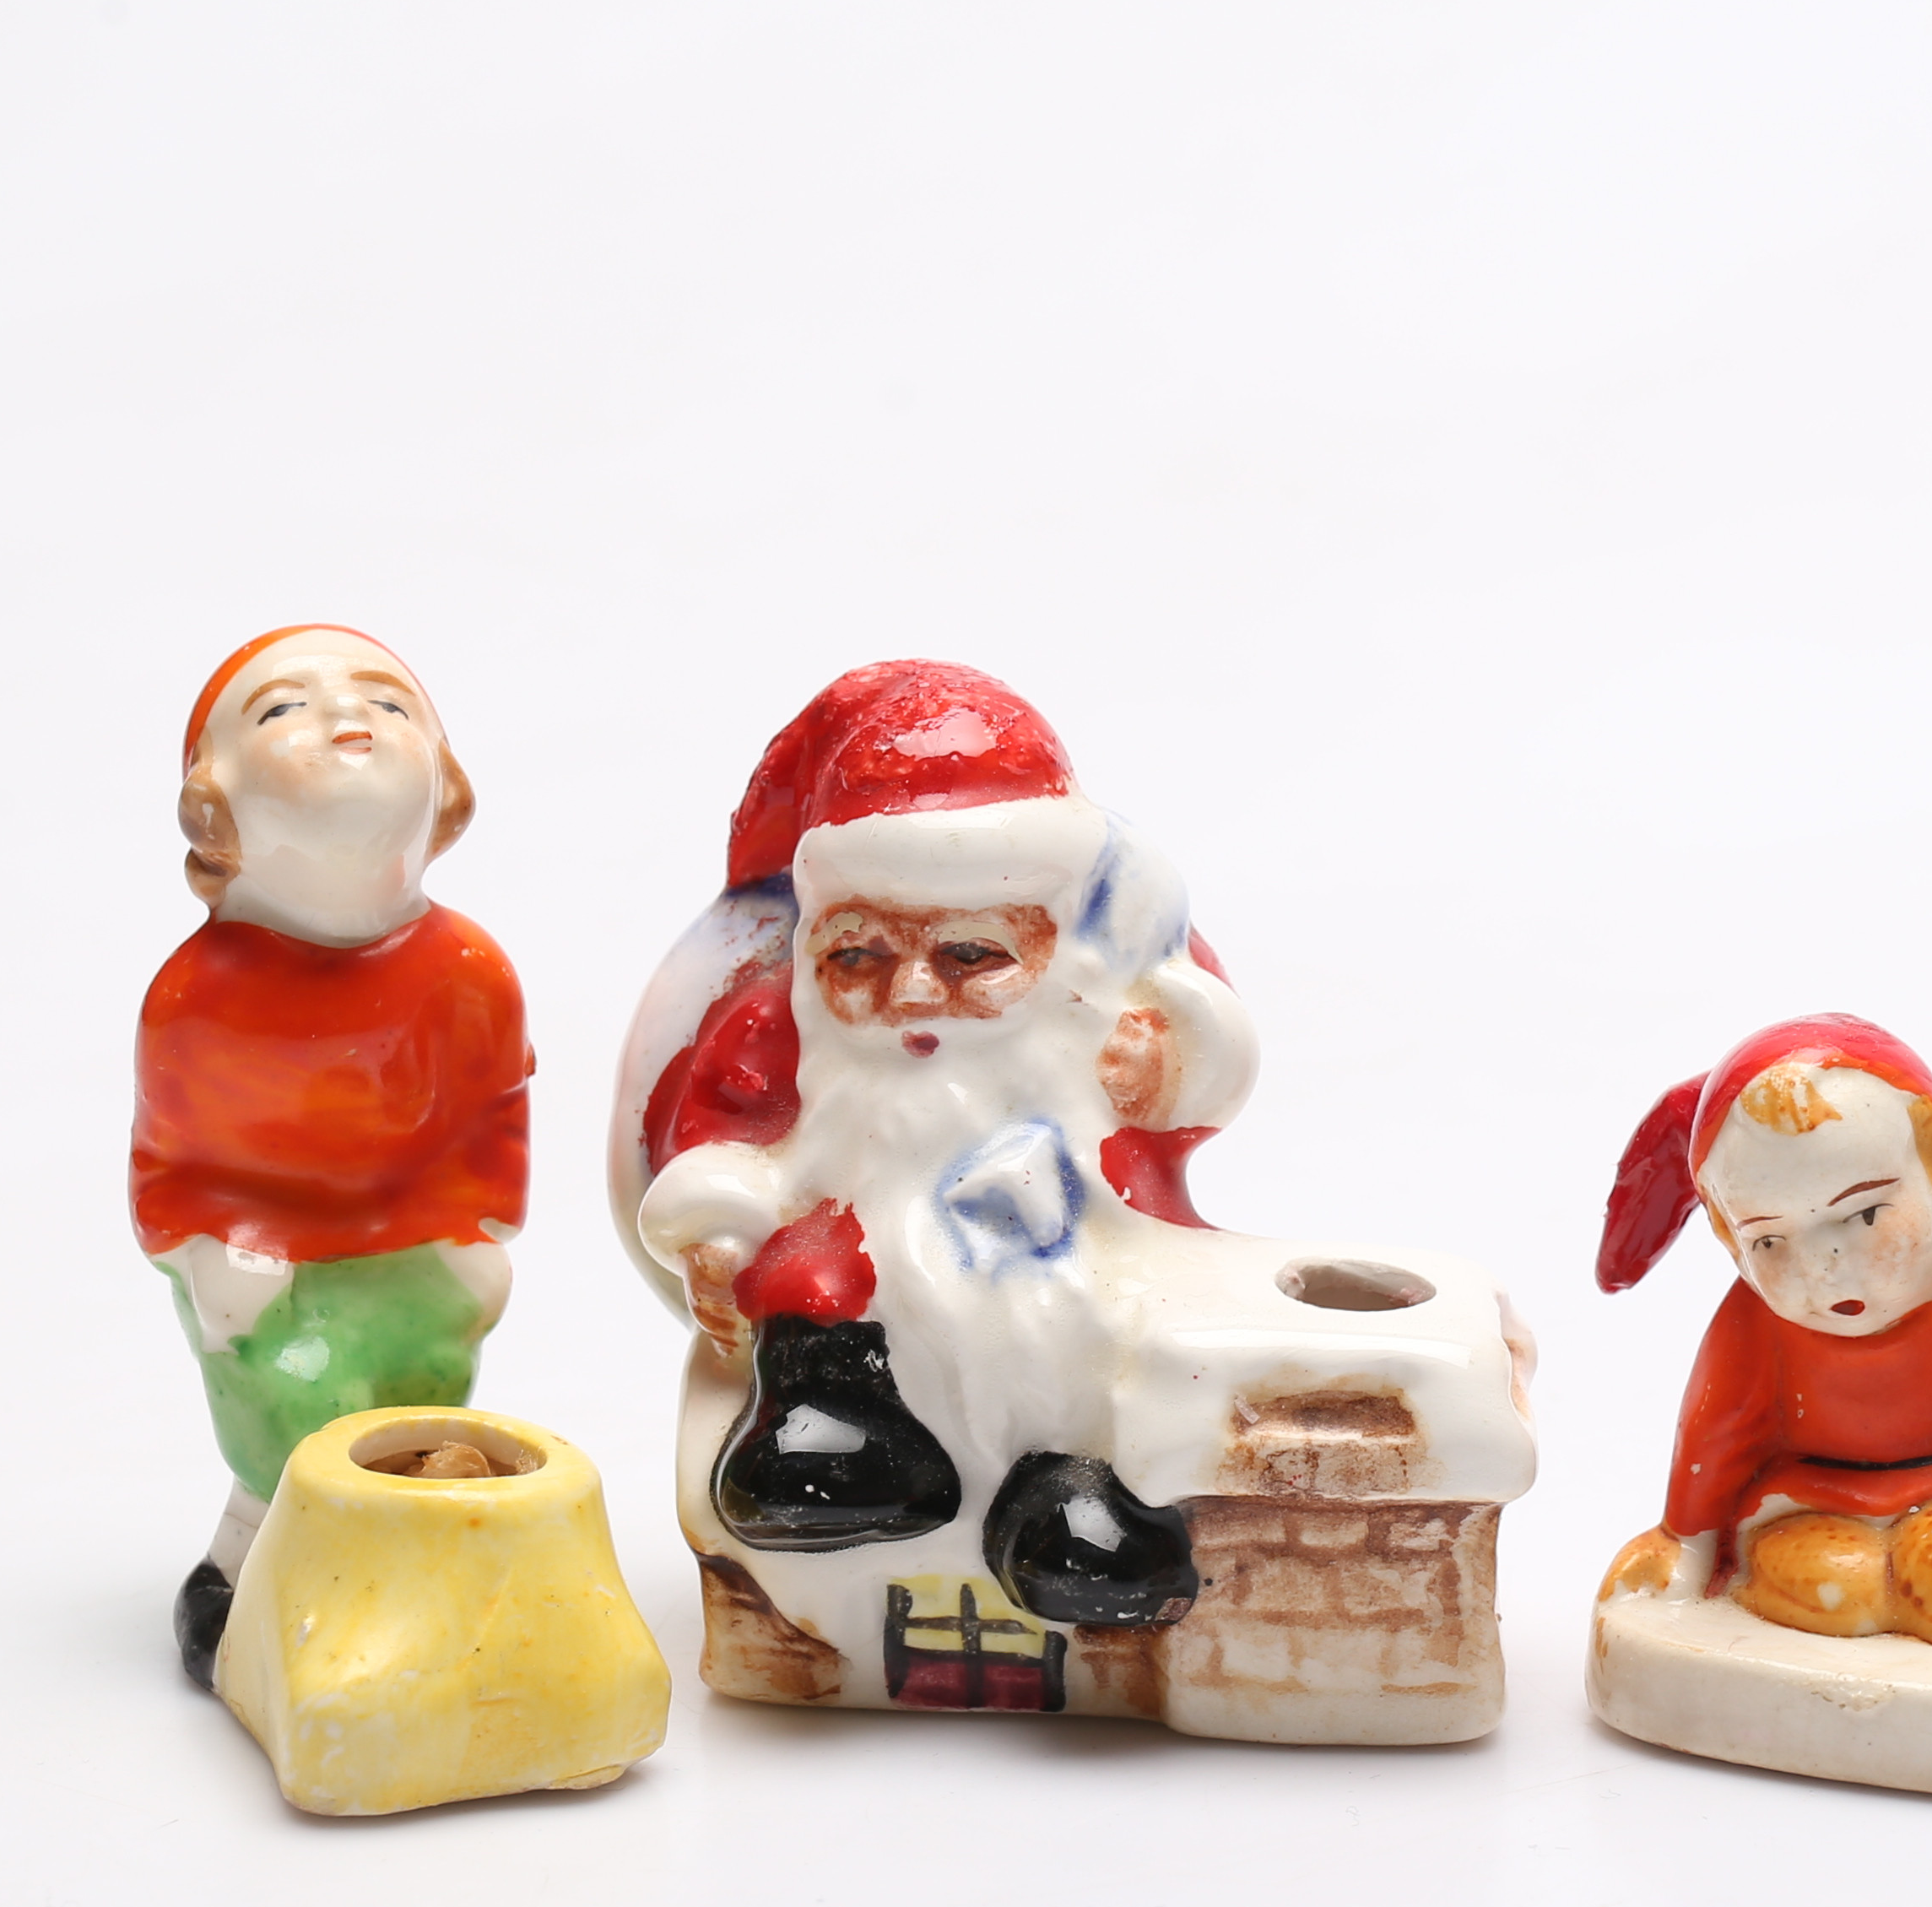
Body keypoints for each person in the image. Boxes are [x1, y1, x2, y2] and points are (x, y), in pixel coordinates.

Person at [611, 660, 1258, 1688]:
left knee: (1106, 1328)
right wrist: (719, 1230)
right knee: (813, 1291)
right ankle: (835, 1446)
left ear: (1053, 949)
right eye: (859, 959)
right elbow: (715, 1144)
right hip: (843, 1263)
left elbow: (1194, 1088)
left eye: (968, 957)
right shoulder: (780, 1028)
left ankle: (1068, 1504)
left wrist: (1166, 1073)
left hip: (1062, 1261)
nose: (911, 994)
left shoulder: (1095, 1025)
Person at [132, 626, 528, 1687]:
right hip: (265, 1255)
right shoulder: (196, 997)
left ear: (444, 783)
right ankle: (249, 1558)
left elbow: (491, 1117)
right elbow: (172, 1165)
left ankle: (412, 1566)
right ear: (213, 802)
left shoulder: (469, 971)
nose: (346, 716)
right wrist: (211, 1251)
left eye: (388, 702)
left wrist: (481, 1223)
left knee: (417, 1387)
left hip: (412, 1235)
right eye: (282, 708)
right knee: (294, 1388)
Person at [1594, 1015, 1932, 1644]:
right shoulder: (1759, 1322)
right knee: (1835, 1586)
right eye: (1769, 1241)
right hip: (1813, 1505)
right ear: (1730, 1239)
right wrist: (1685, 1541)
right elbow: (1720, 1427)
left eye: (1864, 1214)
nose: (1821, 1268)